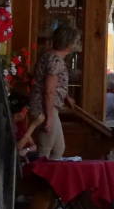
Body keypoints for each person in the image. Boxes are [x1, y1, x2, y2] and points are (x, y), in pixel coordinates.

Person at [28, 24, 78, 158]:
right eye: (75, 41)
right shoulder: (56, 61)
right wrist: (49, 117)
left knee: (58, 149)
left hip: (47, 107)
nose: (75, 45)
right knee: (45, 149)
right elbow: (49, 90)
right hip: (45, 108)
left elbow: (52, 84)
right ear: (68, 43)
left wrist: (65, 96)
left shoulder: (48, 56)